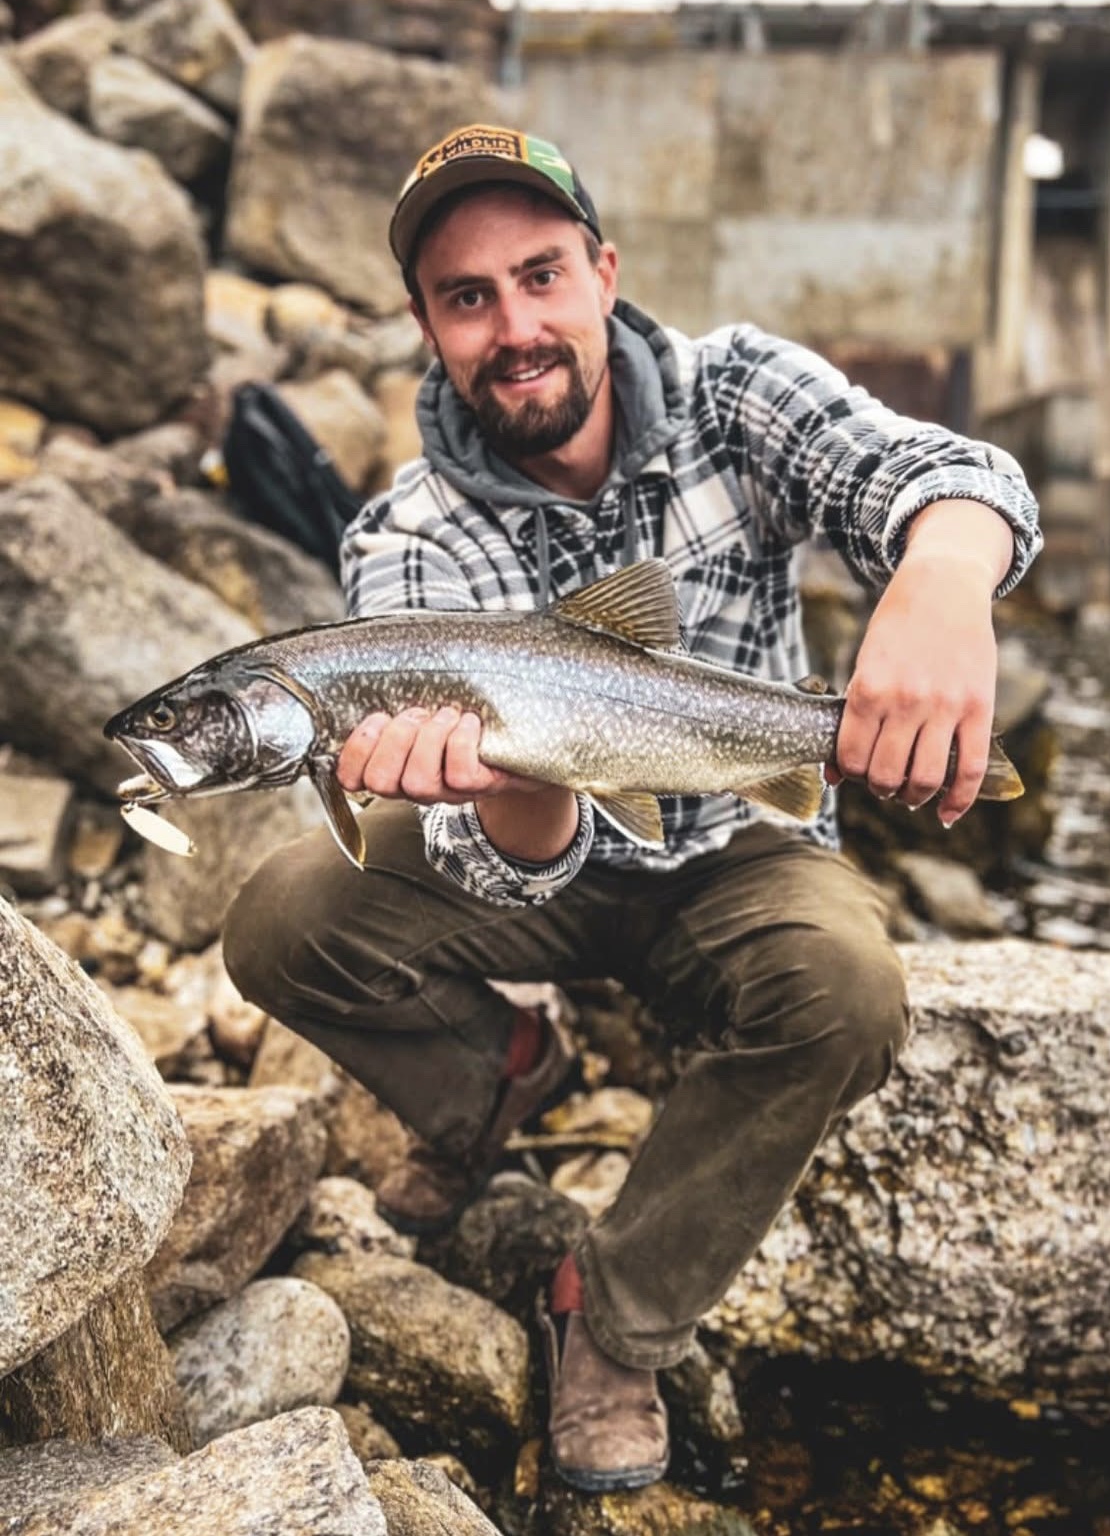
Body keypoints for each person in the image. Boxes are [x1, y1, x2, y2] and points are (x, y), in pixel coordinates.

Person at [223, 123, 1041, 1493]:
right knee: (280, 918)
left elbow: (952, 477)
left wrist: (945, 579)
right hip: (537, 853)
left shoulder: (738, 390)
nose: (515, 325)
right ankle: (501, 1074)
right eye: (468, 297)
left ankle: (613, 1313)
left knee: (847, 987)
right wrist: (515, 781)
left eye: (540, 275)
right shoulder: (403, 538)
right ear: (426, 324)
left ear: (605, 272)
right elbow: (514, 852)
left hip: (745, 837)